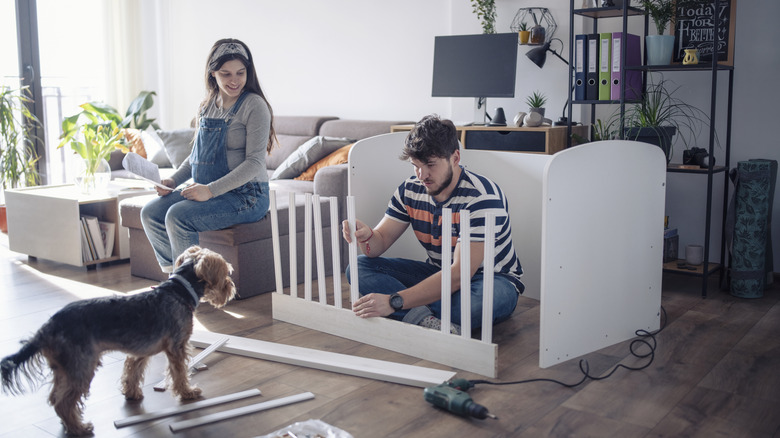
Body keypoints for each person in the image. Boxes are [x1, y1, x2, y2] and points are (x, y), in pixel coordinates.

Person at [342, 114, 523, 334]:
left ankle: (412, 312)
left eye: (430, 165)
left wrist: (393, 301)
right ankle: (428, 319)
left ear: (455, 158)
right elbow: (378, 245)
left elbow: (459, 274)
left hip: (491, 280)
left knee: (472, 306)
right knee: (359, 267)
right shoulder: (410, 189)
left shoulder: (482, 197)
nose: (422, 175)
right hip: (437, 272)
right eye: (416, 166)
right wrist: (367, 236)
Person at [141, 38, 276, 273]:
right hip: (210, 191)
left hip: (248, 196)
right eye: (226, 74)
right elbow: (196, 155)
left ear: (248, 72)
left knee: (177, 215)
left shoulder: (254, 105)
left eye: (240, 73)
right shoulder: (206, 106)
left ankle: (190, 288)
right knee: (151, 213)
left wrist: (210, 190)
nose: (234, 80)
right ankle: (177, 281)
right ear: (213, 73)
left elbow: (254, 163)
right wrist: (173, 181)